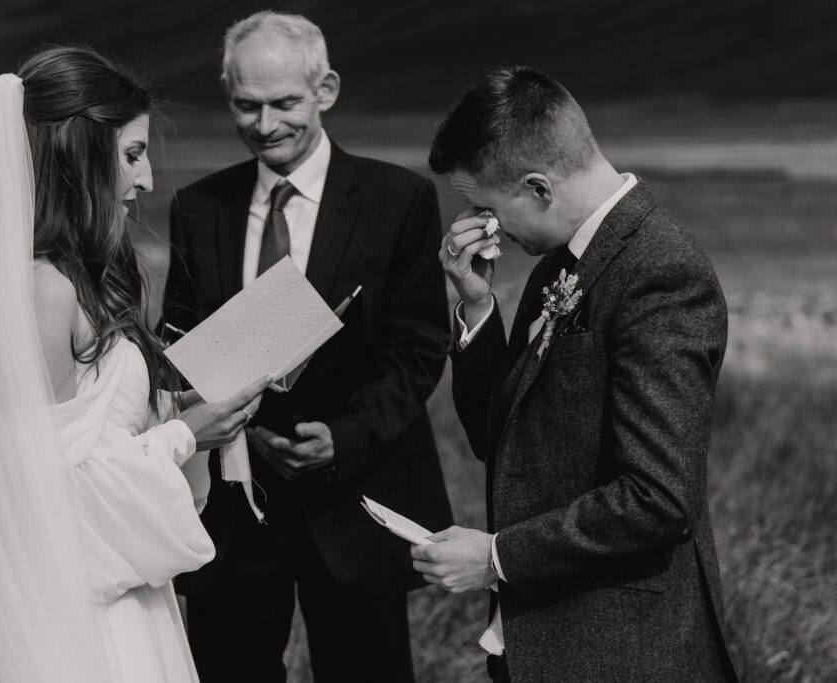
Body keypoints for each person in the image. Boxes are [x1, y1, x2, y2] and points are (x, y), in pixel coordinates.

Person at [0, 45, 270, 682]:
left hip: (125, 603)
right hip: (83, 631)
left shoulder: (75, 280)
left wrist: (177, 413)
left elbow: (93, 447)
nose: (147, 179)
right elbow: (46, 501)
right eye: (131, 153)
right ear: (77, 155)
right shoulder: (45, 292)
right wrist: (185, 434)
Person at [411, 66, 739, 682]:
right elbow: (499, 439)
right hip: (542, 644)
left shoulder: (661, 272)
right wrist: (477, 306)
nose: (485, 228)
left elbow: (659, 498)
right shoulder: (561, 261)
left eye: (485, 206)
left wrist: (496, 558)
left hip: (624, 652)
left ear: (538, 187)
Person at [163, 11, 453, 683]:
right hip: (232, 508)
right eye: (246, 105)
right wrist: (233, 427)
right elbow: (178, 341)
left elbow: (419, 347)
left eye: (284, 103)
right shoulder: (197, 208)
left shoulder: (400, 199)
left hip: (357, 497)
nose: (265, 125)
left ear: (326, 89)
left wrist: (343, 437)